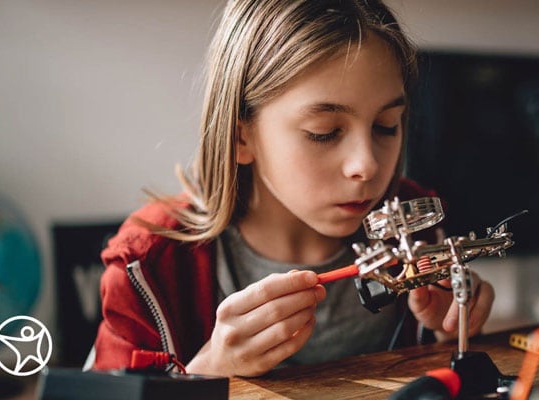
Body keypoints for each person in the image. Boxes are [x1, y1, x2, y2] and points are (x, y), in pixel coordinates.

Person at [93, 0, 495, 378]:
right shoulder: (148, 265)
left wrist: (449, 334)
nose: (367, 165)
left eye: (386, 125)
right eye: (324, 133)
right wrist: (207, 371)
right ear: (240, 137)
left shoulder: (415, 223)